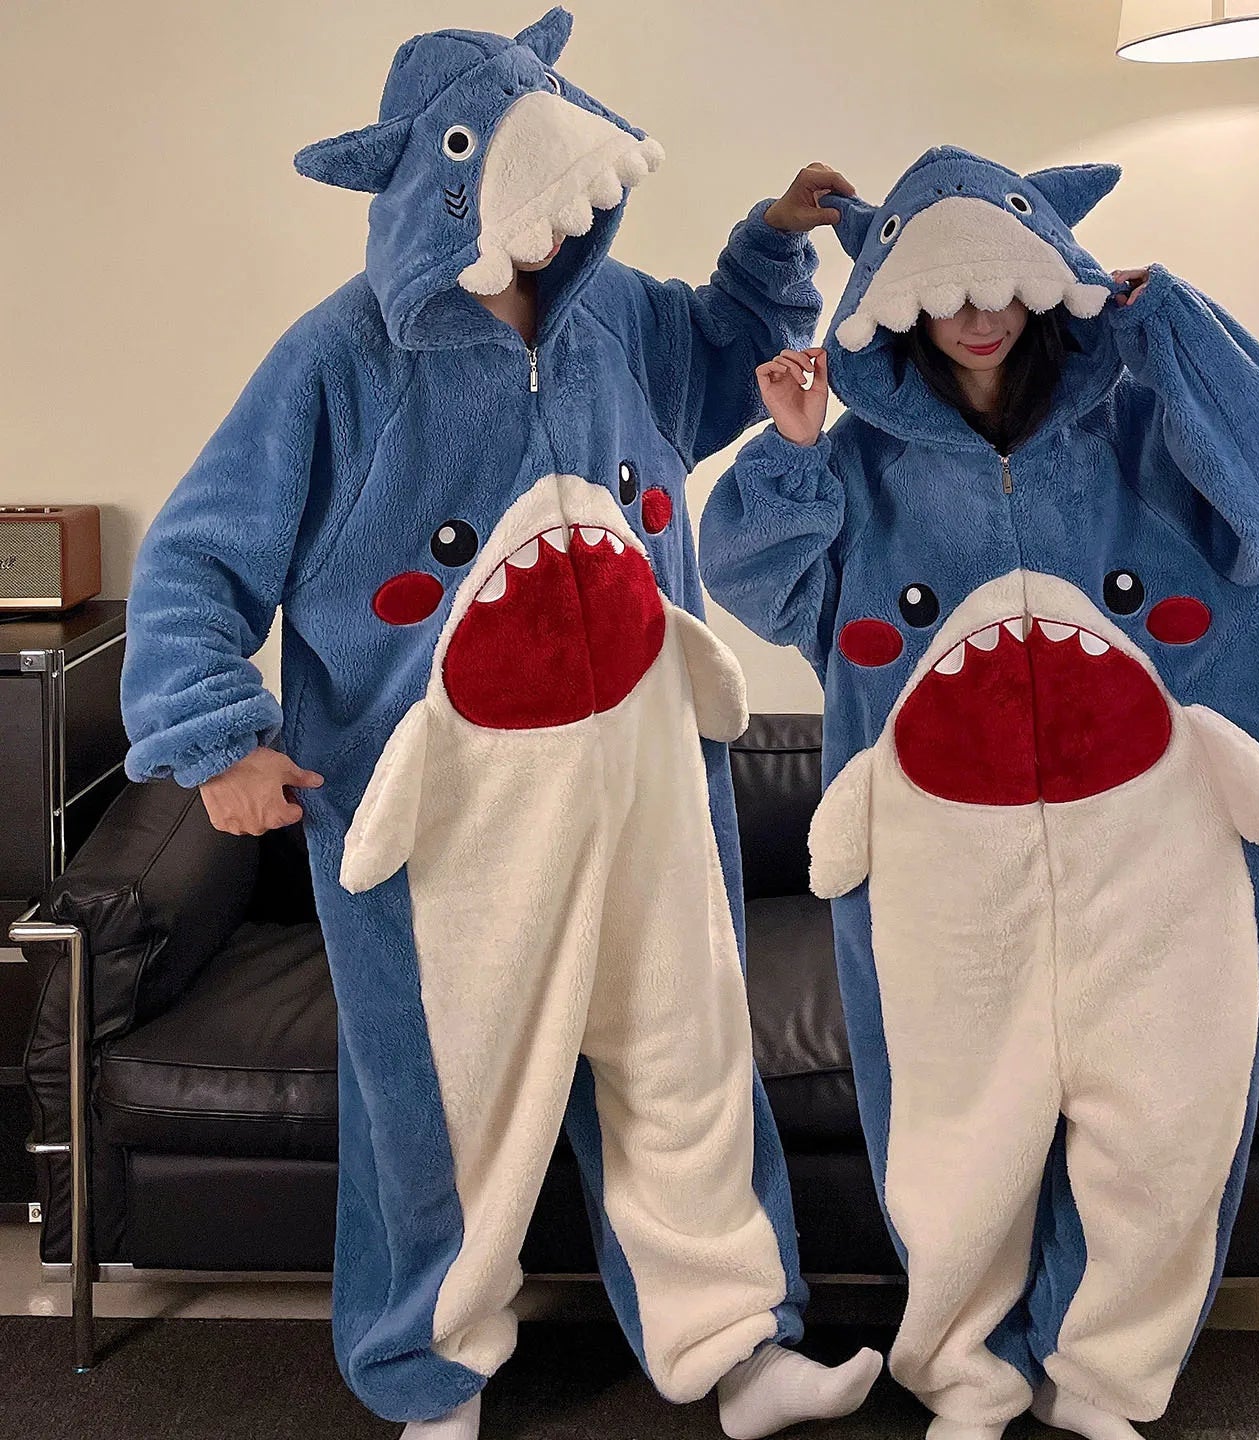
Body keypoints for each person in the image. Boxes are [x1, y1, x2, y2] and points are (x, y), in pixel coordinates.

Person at [121, 10, 882, 1438]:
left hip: (651, 778)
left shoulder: (621, 319)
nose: (551, 237)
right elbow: (198, 558)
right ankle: (431, 1378)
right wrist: (217, 737)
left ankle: (735, 1348)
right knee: (440, 1107)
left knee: (688, 1060)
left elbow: (725, 357)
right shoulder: (341, 360)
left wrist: (775, 239)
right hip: (446, 812)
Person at [699, 144, 1259, 1440]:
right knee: (952, 1131)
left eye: (1000, 283)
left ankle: (1103, 1381)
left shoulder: (1139, 417)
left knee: (1160, 1125)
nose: (977, 314)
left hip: (1154, 840)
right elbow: (758, 584)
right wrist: (798, 445)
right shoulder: (871, 457)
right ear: (901, 304)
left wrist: (1174, 326)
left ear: (1050, 275)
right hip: (949, 853)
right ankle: (968, 1377)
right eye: (944, 291)